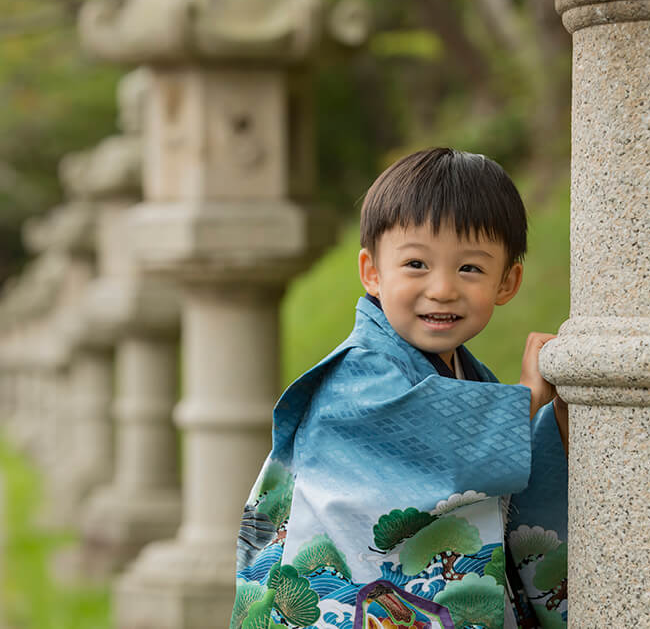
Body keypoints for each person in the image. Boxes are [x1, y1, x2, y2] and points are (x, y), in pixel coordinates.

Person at [232, 148, 569, 629]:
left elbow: (505, 480)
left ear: (507, 281)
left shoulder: (468, 380)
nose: (442, 288)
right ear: (372, 272)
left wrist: (554, 426)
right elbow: (441, 445)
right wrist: (528, 400)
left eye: (470, 268)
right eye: (416, 264)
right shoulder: (361, 378)